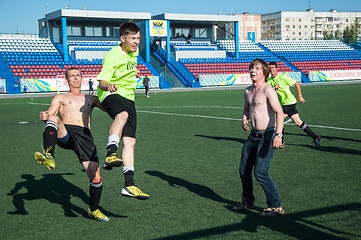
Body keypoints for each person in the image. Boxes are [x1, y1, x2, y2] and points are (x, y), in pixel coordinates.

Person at [33, 67, 109, 222]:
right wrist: (44, 116)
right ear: (66, 80)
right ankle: (48, 155)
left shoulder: (91, 98)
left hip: (85, 137)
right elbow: (50, 115)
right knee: (53, 119)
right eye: (72, 76)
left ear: (82, 78)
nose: (75, 78)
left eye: (78, 75)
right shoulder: (59, 98)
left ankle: (93, 210)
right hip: (66, 132)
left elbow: (109, 109)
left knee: (96, 177)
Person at [96, 22, 149, 200]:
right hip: (110, 93)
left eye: (138, 38)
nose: (136, 42)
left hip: (129, 97)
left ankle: (129, 185)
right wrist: (108, 85)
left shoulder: (134, 53)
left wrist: (133, 72)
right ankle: (111, 153)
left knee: (131, 142)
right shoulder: (112, 55)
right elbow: (101, 82)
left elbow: (128, 67)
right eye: (133, 38)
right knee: (122, 115)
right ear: (123, 38)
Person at [233, 59, 285, 217]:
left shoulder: (268, 90)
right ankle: (247, 201)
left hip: (268, 135)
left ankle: (276, 206)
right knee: (244, 170)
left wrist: (278, 135)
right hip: (253, 135)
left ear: (265, 72)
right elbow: (247, 109)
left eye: (257, 68)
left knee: (260, 172)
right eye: (251, 68)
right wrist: (244, 118)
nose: (252, 71)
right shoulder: (248, 91)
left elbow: (279, 112)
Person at [268, 62, 321, 148]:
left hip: (290, 102)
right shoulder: (269, 81)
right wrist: (274, 88)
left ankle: (281, 142)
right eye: (270, 68)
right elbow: (269, 92)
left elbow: (296, 83)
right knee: (298, 122)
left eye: (273, 67)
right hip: (284, 104)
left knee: (278, 119)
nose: (271, 69)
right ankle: (315, 137)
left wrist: (300, 96)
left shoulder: (282, 77)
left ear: (277, 68)